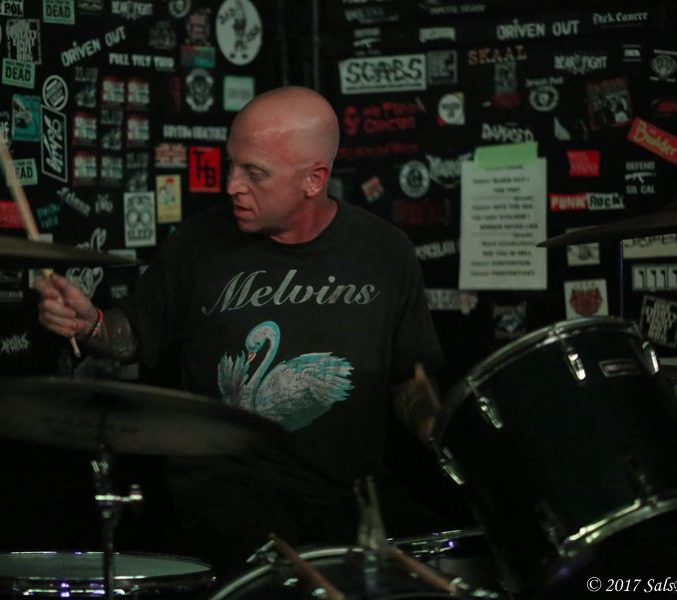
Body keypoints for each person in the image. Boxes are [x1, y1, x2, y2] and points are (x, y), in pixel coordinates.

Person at [34, 86, 446, 574]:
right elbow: (134, 334)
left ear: (314, 179)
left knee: (447, 563)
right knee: (272, 571)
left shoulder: (385, 252)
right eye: (232, 165)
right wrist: (92, 324)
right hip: (229, 487)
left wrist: (436, 425)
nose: (232, 185)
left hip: (352, 493)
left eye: (255, 173)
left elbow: (409, 380)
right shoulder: (198, 244)